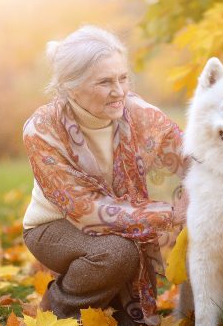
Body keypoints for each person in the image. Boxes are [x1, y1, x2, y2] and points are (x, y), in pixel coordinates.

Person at [21, 25, 187, 325]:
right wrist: (170, 213)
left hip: (120, 222)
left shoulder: (137, 113)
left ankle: (106, 301)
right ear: (71, 87)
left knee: (129, 315)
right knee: (118, 254)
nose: (120, 91)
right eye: (105, 82)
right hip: (52, 226)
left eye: (123, 78)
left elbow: (189, 153)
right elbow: (86, 210)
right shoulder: (42, 129)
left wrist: (196, 184)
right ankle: (58, 311)